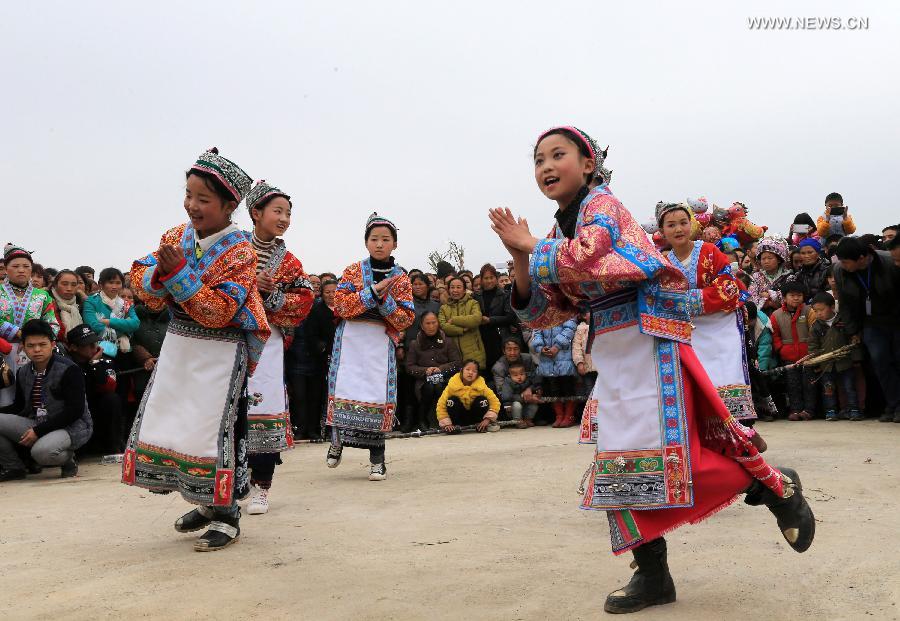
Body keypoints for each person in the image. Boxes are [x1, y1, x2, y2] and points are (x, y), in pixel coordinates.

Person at [490, 125, 813, 614]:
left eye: (558, 155)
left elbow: (590, 260)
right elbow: (545, 311)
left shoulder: (603, 207)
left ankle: (772, 485)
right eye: (538, 160)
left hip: (648, 342)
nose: (546, 166)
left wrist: (532, 245)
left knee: (671, 457)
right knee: (618, 465)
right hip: (614, 350)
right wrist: (520, 257)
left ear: (589, 163)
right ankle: (654, 574)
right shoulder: (558, 230)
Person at [124, 147, 270, 552]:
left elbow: (219, 311)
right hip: (181, 345)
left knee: (215, 429)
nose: (191, 205)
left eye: (203, 199)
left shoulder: (240, 252)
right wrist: (160, 274)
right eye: (188, 195)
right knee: (182, 424)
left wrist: (179, 276)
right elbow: (144, 288)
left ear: (228, 206)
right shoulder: (175, 237)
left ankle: (228, 513)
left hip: (222, 351)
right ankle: (206, 502)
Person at [242, 180, 315, 515]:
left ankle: (262, 485)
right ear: (256, 213)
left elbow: (303, 302)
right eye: (278, 211)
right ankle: (230, 481)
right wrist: (248, 285)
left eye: (288, 213)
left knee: (264, 408)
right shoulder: (232, 250)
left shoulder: (290, 263)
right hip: (227, 342)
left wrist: (270, 296)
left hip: (267, 345)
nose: (285, 218)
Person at [324, 213, 414, 481]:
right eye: (374, 239)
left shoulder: (401, 278)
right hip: (351, 340)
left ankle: (378, 460)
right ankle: (337, 441)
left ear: (394, 244)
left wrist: (385, 303)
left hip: (378, 342)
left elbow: (406, 317)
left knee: (377, 398)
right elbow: (340, 305)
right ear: (366, 242)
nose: (379, 244)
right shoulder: (353, 271)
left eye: (386, 239)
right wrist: (372, 293)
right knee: (344, 391)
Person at [659, 202, 759, 425]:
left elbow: (727, 287)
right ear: (662, 230)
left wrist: (685, 300)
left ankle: (740, 429)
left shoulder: (709, 251)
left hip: (720, 324)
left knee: (727, 371)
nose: (678, 229)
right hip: (688, 331)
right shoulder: (664, 264)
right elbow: (660, 298)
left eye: (683, 223)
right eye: (671, 225)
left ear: (692, 225)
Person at [0, 320, 92, 481]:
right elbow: (19, 407)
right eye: (31, 345)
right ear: (23, 346)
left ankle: (68, 459)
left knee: (41, 453)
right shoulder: (23, 372)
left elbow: (75, 410)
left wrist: (38, 431)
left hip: (71, 426)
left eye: (42, 344)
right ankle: (13, 467)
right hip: (38, 422)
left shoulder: (69, 369)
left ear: (52, 344)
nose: (37, 350)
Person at [833, 236, 900, 423]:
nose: (843, 265)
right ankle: (893, 404)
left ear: (862, 257)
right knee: (880, 363)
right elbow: (845, 304)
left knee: (898, 360)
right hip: (871, 323)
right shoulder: (840, 271)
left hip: (896, 320)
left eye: (846, 262)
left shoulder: (889, 262)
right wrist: (852, 330)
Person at [0, 244, 60, 408]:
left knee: (32, 398)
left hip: (33, 351)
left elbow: (53, 323)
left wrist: (39, 340)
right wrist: (18, 332)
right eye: (16, 266)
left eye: (26, 266)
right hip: (2, 350)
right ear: (6, 268)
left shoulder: (42, 295)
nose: (21, 270)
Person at [287, 278, 336, 440]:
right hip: (297, 359)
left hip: (317, 361)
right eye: (327, 292)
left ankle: (314, 429)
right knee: (300, 397)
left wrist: (323, 349)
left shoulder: (317, 308)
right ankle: (301, 429)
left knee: (316, 397)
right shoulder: (291, 308)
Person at [65, 324, 123, 453]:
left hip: (97, 413)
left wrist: (93, 364)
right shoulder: (65, 364)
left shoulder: (104, 361)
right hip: (75, 414)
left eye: (94, 342)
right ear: (73, 347)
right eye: (87, 343)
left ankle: (113, 447)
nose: (94, 347)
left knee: (111, 399)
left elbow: (109, 387)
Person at [396, 273, 440, 432]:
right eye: (414, 284)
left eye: (421, 284)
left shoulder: (436, 305)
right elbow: (400, 326)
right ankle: (408, 421)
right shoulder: (406, 304)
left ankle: (425, 420)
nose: (417, 287)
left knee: (426, 386)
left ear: (427, 286)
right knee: (408, 387)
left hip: (430, 351)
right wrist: (400, 346)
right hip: (409, 349)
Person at [808, 292, 862, 421]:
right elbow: (813, 346)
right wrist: (815, 363)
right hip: (826, 364)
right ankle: (830, 411)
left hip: (845, 362)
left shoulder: (843, 321)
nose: (819, 313)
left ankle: (854, 409)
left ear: (832, 307)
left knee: (849, 387)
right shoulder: (816, 326)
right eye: (816, 311)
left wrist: (856, 359)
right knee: (828, 389)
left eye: (821, 310)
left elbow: (853, 341)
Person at [405, 311, 462, 430]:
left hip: (446, 378)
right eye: (427, 323)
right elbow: (409, 367)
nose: (431, 326)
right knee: (430, 386)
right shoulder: (415, 344)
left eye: (433, 323)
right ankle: (422, 419)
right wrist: (426, 370)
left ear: (438, 323)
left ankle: (446, 419)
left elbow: (457, 363)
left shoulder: (447, 341)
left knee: (439, 385)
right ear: (421, 325)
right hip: (424, 381)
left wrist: (440, 369)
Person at [771, 281, 817, 421]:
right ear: (784, 297)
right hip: (788, 356)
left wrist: (812, 350)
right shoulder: (776, 314)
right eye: (792, 295)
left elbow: (814, 331)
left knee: (809, 384)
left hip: (808, 355)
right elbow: (774, 335)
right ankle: (795, 410)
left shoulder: (809, 311)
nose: (796, 298)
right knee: (792, 384)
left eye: (799, 295)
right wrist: (781, 349)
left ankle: (809, 410)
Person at [82, 267, 140, 360]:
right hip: (100, 350)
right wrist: (124, 330)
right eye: (110, 282)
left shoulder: (126, 304)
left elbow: (135, 324)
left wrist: (109, 322)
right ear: (101, 284)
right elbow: (93, 326)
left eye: (118, 283)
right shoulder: (91, 301)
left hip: (125, 351)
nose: (114, 286)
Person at [530, 319, 578, 428]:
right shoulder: (542, 313)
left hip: (563, 356)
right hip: (547, 358)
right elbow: (536, 331)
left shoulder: (565, 310)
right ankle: (559, 415)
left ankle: (569, 415)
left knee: (568, 387)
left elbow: (570, 328)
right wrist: (541, 347)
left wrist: (557, 346)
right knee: (553, 389)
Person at [436, 360, 501, 432]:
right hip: (458, 419)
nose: (470, 373)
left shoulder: (481, 386)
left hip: (476, 418)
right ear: (461, 370)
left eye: (474, 371)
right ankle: (454, 427)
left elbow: (495, 402)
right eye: (467, 369)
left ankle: (480, 426)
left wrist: (488, 419)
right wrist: (447, 424)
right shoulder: (452, 386)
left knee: (482, 400)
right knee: (452, 400)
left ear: (477, 374)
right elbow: (441, 405)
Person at [474, 263, 516, 371]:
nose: (489, 281)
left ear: (496, 278)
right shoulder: (475, 296)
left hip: (499, 337)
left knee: (501, 369)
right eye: (486, 278)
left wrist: (490, 320)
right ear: (481, 279)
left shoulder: (505, 295)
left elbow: (510, 317)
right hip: (481, 337)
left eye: (491, 277)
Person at [439, 277, 487, 370]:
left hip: (474, 353)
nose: (455, 290)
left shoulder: (473, 303)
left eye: (458, 287)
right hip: (452, 355)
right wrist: (462, 329)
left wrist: (454, 320)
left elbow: (476, 319)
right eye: (452, 287)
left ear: (465, 290)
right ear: (448, 290)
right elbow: (444, 327)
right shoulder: (443, 308)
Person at [745, 302, 780, 421]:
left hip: (765, 361)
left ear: (754, 319)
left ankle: (767, 410)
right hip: (747, 362)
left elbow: (764, 349)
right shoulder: (739, 325)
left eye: (750, 321)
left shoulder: (763, 326)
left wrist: (762, 368)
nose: (748, 324)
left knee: (762, 383)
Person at [748, 236, 793, 314]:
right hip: (761, 317)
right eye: (763, 259)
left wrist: (770, 295)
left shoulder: (789, 277)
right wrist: (767, 302)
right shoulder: (756, 276)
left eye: (770, 258)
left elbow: (791, 297)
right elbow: (751, 297)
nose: (766, 261)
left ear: (779, 259)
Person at [500, 360, 540, 428]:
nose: (519, 377)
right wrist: (507, 405)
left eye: (522, 374)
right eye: (515, 375)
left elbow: (535, 385)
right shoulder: (508, 382)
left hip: (526, 405)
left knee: (534, 405)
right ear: (510, 376)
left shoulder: (528, 379)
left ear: (525, 373)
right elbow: (506, 394)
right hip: (513, 407)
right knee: (517, 405)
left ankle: (528, 420)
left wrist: (536, 391)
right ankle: (518, 421)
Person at [49, 269, 86, 343]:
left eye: (73, 285)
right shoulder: (46, 302)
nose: (69, 289)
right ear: (55, 285)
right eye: (64, 284)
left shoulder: (83, 304)